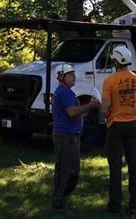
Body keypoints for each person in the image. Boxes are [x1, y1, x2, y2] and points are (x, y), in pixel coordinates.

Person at [102, 46, 136, 215]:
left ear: (115, 61)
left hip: (116, 127)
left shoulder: (109, 81)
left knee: (115, 167)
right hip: (133, 124)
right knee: (133, 165)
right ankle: (134, 203)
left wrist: (107, 113)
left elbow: (105, 110)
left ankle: (115, 205)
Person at [51, 63, 99, 213]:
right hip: (66, 136)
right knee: (67, 170)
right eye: (71, 75)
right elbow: (71, 112)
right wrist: (90, 105)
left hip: (69, 135)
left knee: (70, 169)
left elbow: (73, 112)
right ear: (62, 77)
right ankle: (59, 203)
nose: (74, 77)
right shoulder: (64, 92)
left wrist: (83, 114)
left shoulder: (66, 92)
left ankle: (61, 199)